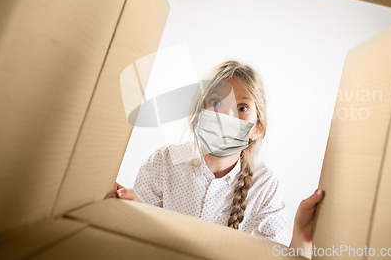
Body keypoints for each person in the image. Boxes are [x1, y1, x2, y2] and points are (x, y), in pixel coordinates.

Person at [113, 60, 324, 252]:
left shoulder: (265, 187)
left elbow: (277, 255)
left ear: (256, 128)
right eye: (216, 103)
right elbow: (137, 239)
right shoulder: (164, 162)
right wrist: (130, 210)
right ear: (197, 118)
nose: (227, 115)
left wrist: (302, 239)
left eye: (242, 107)